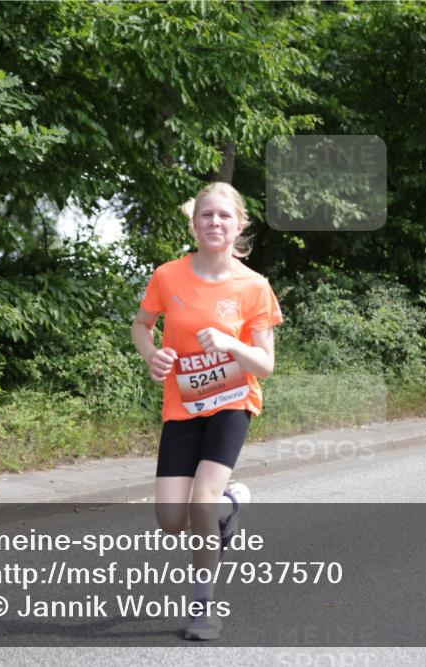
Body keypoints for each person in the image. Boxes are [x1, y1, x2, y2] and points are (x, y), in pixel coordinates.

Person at [131, 181, 283, 640]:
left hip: (233, 401)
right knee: (171, 521)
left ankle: (204, 607)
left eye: (223, 216)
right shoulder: (167, 276)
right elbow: (142, 325)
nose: (214, 223)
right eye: (206, 215)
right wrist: (150, 353)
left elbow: (266, 364)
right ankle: (230, 506)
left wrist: (231, 343)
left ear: (238, 225)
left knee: (201, 502)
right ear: (194, 223)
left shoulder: (254, 286)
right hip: (183, 405)